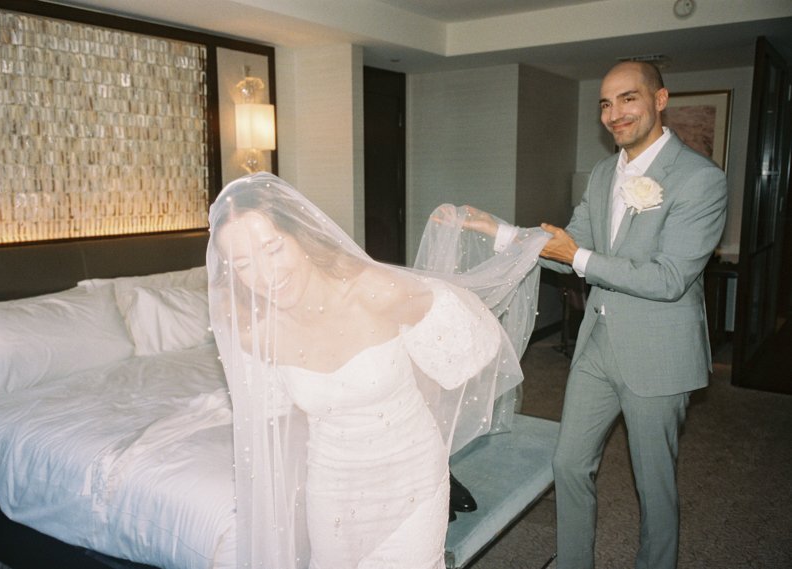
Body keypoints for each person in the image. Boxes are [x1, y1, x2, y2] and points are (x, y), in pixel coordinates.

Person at [206, 173, 548, 569]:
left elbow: (466, 350)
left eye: (273, 248)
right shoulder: (254, 330)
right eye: (244, 263)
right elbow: (274, 415)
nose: (265, 274)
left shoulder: (376, 290)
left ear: (300, 236)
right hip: (332, 489)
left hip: (412, 479)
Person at [536, 61, 728, 568]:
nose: (614, 113)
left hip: (659, 352)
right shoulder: (603, 173)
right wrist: (497, 236)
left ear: (660, 100)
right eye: (605, 102)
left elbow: (667, 279)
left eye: (628, 99)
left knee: (654, 483)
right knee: (568, 462)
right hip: (598, 342)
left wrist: (575, 257)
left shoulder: (701, 179)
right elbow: (574, 243)